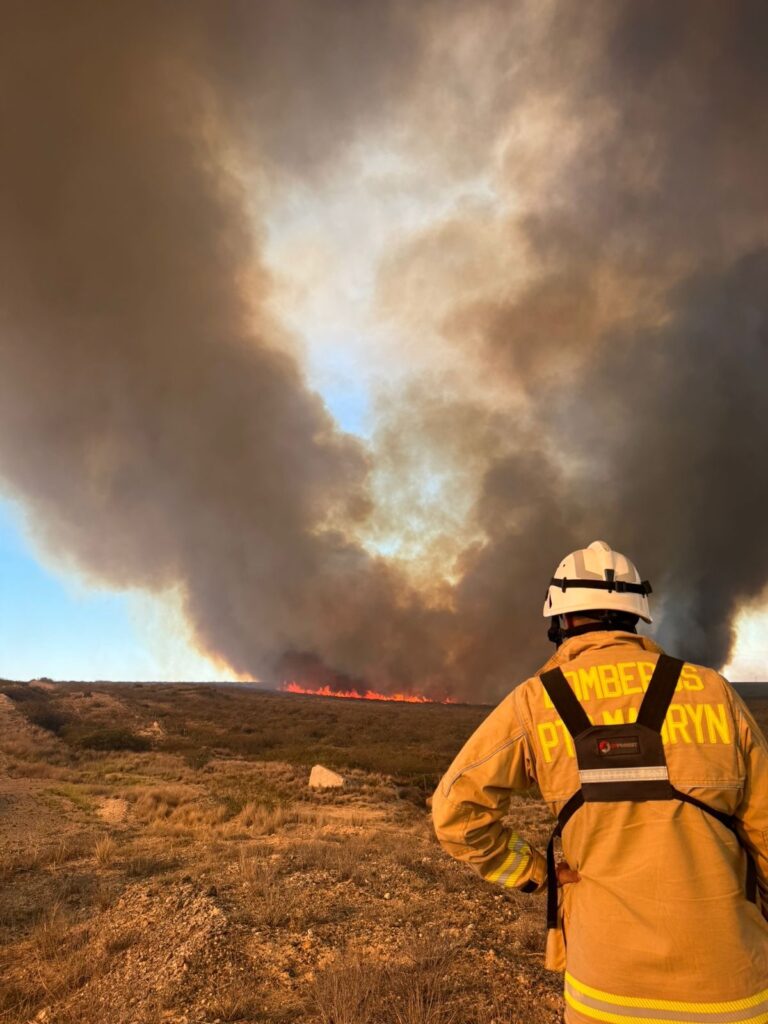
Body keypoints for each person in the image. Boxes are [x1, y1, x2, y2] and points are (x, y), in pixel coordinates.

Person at [432, 540, 768, 1024]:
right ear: (637, 616)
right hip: (733, 988)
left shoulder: (536, 701)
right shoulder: (713, 691)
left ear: (561, 621)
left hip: (608, 992)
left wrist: (537, 874)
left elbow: (454, 813)